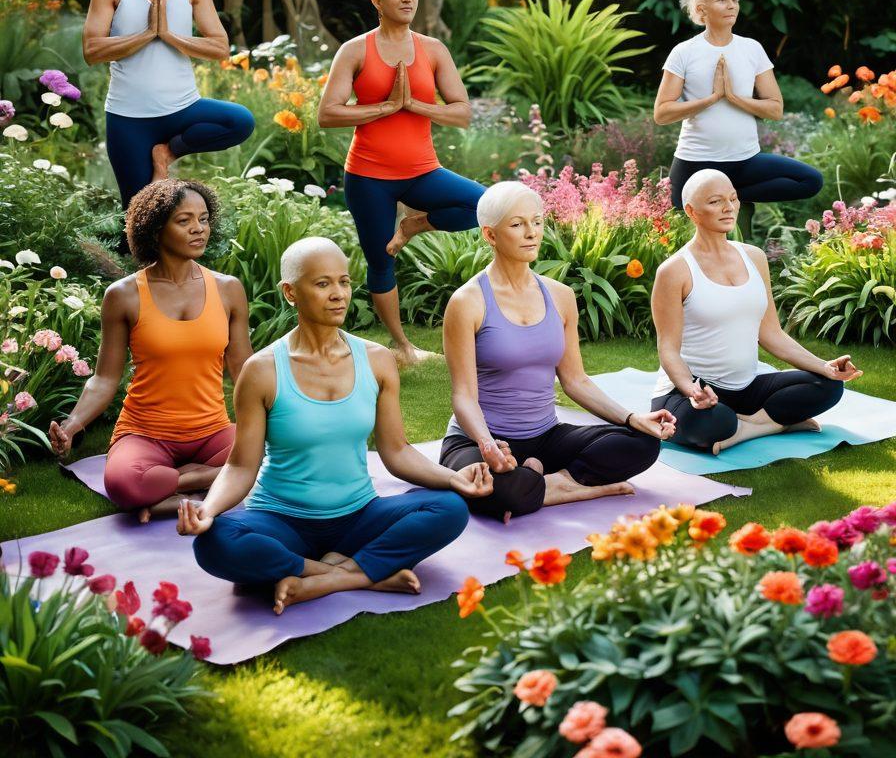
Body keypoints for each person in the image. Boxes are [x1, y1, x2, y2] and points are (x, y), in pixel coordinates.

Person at [176, 237, 491, 613]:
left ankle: (327, 579)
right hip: (281, 520)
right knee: (215, 542)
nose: (339, 294)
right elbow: (241, 465)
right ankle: (358, 571)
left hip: (358, 516)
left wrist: (453, 478)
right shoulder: (262, 371)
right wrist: (208, 511)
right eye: (323, 284)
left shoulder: (376, 361)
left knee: (450, 508)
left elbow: (397, 451)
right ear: (290, 292)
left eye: (344, 282)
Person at [439, 181, 675, 523]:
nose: (531, 232)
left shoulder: (560, 296)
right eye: (517, 224)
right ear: (490, 235)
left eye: (536, 221)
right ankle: (567, 485)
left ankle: (546, 485)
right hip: (479, 440)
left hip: (546, 437)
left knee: (642, 443)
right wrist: (488, 446)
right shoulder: (467, 302)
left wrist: (631, 418)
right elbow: (463, 396)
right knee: (493, 488)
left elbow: (575, 380)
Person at [49, 180, 252, 520]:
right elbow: (104, 379)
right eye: (184, 220)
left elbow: (245, 368)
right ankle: (204, 487)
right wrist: (71, 426)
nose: (198, 229)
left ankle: (171, 494)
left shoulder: (228, 289)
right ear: (155, 229)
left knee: (277, 457)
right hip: (145, 433)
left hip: (212, 432)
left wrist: (279, 415)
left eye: (203, 219)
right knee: (124, 484)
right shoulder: (124, 295)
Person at [318, 0, 485, 366]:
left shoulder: (432, 50)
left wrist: (413, 105)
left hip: (422, 171)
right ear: (377, 1)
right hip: (368, 176)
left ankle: (414, 224)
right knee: (380, 261)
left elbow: (462, 112)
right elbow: (328, 114)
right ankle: (403, 345)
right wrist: (385, 107)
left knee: (485, 205)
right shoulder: (355, 50)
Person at [650, 169, 859, 455]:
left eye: (733, 199)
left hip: (745, 388)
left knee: (828, 386)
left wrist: (824, 366)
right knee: (713, 423)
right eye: (715, 202)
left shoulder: (754, 257)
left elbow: (771, 333)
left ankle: (750, 428)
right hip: (690, 392)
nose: (728, 208)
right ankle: (774, 422)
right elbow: (668, 350)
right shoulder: (674, 271)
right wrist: (692, 391)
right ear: (691, 211)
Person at [82, 0, 255, 218]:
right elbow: (92, 50)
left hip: (183, 107)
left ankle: (167, 151)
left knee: (240, 121)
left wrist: (171, 36)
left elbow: (220, 47)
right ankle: (138, 269)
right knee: (140, 216)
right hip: (129, 118)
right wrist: (147, 34)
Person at [653, 0, 822, 219]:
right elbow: (662, 113)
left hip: (745, 161)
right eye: (722, 0)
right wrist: (712, 98)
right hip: (696, 162)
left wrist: (733, 97)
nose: (731, 5)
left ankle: (728, 196)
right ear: (702, 9)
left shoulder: (751, 49)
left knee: (811, 180)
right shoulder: (684, 52)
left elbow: (775, 109)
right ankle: (721, 196)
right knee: (677, 220)